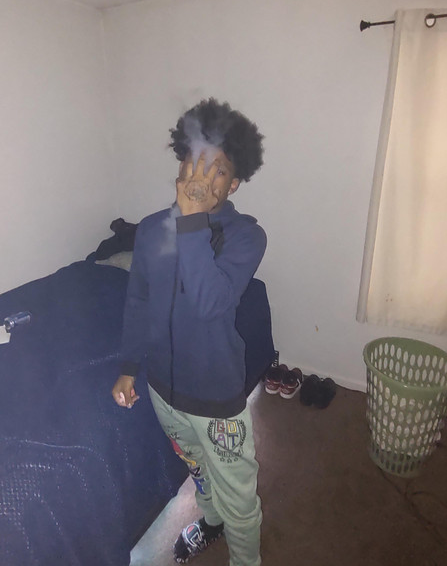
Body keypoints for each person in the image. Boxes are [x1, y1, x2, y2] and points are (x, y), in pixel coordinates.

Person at [112, 97, 266, 566]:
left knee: (239, 495)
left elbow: (210, 303)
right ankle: (210, 518)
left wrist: (193, 222)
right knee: (197, 466)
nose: (203, 177)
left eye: (219, 170)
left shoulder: (246, 237)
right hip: (163, 390)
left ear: (234, 184)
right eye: (196, 161)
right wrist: (129, 366)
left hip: (217, 399)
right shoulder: (150, 230)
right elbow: (139, 301)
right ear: (180, 166)